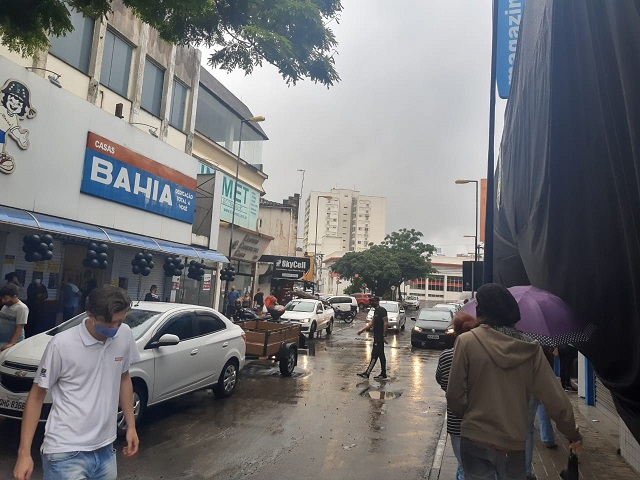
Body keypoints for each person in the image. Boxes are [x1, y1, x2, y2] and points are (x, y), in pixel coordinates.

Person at [446, 283, 582, 480]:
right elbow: (555, 398)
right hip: (513, 443)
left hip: (475, 438)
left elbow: (454, 394)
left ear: (482, 310)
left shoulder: (467, 342)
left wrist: (470, 416)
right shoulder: (531, 348)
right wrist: (573, 434)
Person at [13, 285, 140, 480]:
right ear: (90, 314)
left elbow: (124, 378)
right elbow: (37, 396)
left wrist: (131, 426)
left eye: (120, 322)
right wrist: (24, 453)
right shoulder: (62, 344)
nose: (115, 328)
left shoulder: (125, 335)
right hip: (65, 453)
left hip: (106, 450)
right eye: (109, 323)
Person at [436, 311, 480, 480]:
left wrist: (449, 390)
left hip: (455, 419)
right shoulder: (480, 356)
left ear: (454, 331)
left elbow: (440, 379)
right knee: (475, 465)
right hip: (478, 418)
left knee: (463, 464)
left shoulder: (446, 356)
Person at [356, 296, 388, 380]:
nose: (371, 303)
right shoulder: (376, 311)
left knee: (374, 355)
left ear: (377, 301)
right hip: (376, 336)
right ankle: (383, 374)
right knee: (381, 356)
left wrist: (384, 336)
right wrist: (362, 330)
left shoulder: (382, 310)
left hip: (379, 338)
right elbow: (371, 323)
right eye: (371, 301)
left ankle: (367, 373)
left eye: (373, 301)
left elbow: (385, 323)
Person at [0, 283, 29, 351]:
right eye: (2, 298)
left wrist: (11, 343)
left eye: (5, 298)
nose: (3, 301)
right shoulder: (5, 306)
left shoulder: (22, 308)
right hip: (3, 341)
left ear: (14, 296)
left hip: (14, 344)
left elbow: (20, 327)